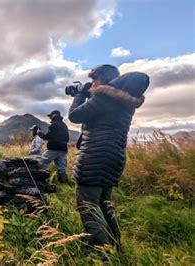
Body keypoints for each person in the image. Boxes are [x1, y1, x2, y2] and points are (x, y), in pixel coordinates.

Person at [68, 64, 150, 254]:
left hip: (95, 157)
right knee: (104, 203)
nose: (93, 83)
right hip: (114, 157)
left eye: (95, 79)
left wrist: (80, 95)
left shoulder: (104, 97)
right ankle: (115, 245)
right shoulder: (125, 101)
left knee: (87, 204)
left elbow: (75, 116)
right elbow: (100, 113)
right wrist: (91, 95)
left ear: (105, 79)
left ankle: (100, 252)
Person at [37, 110, 69, 183]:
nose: (49, 118)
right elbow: (67, 139)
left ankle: (42, 181)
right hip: (63, 149)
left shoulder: (53, 125)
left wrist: (39, 133)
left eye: (50, 116)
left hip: (53, 149)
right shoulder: (64, 125)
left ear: (54, 115)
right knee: (62, 168)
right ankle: (64, 184)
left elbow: (47, 137)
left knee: (42, 163)